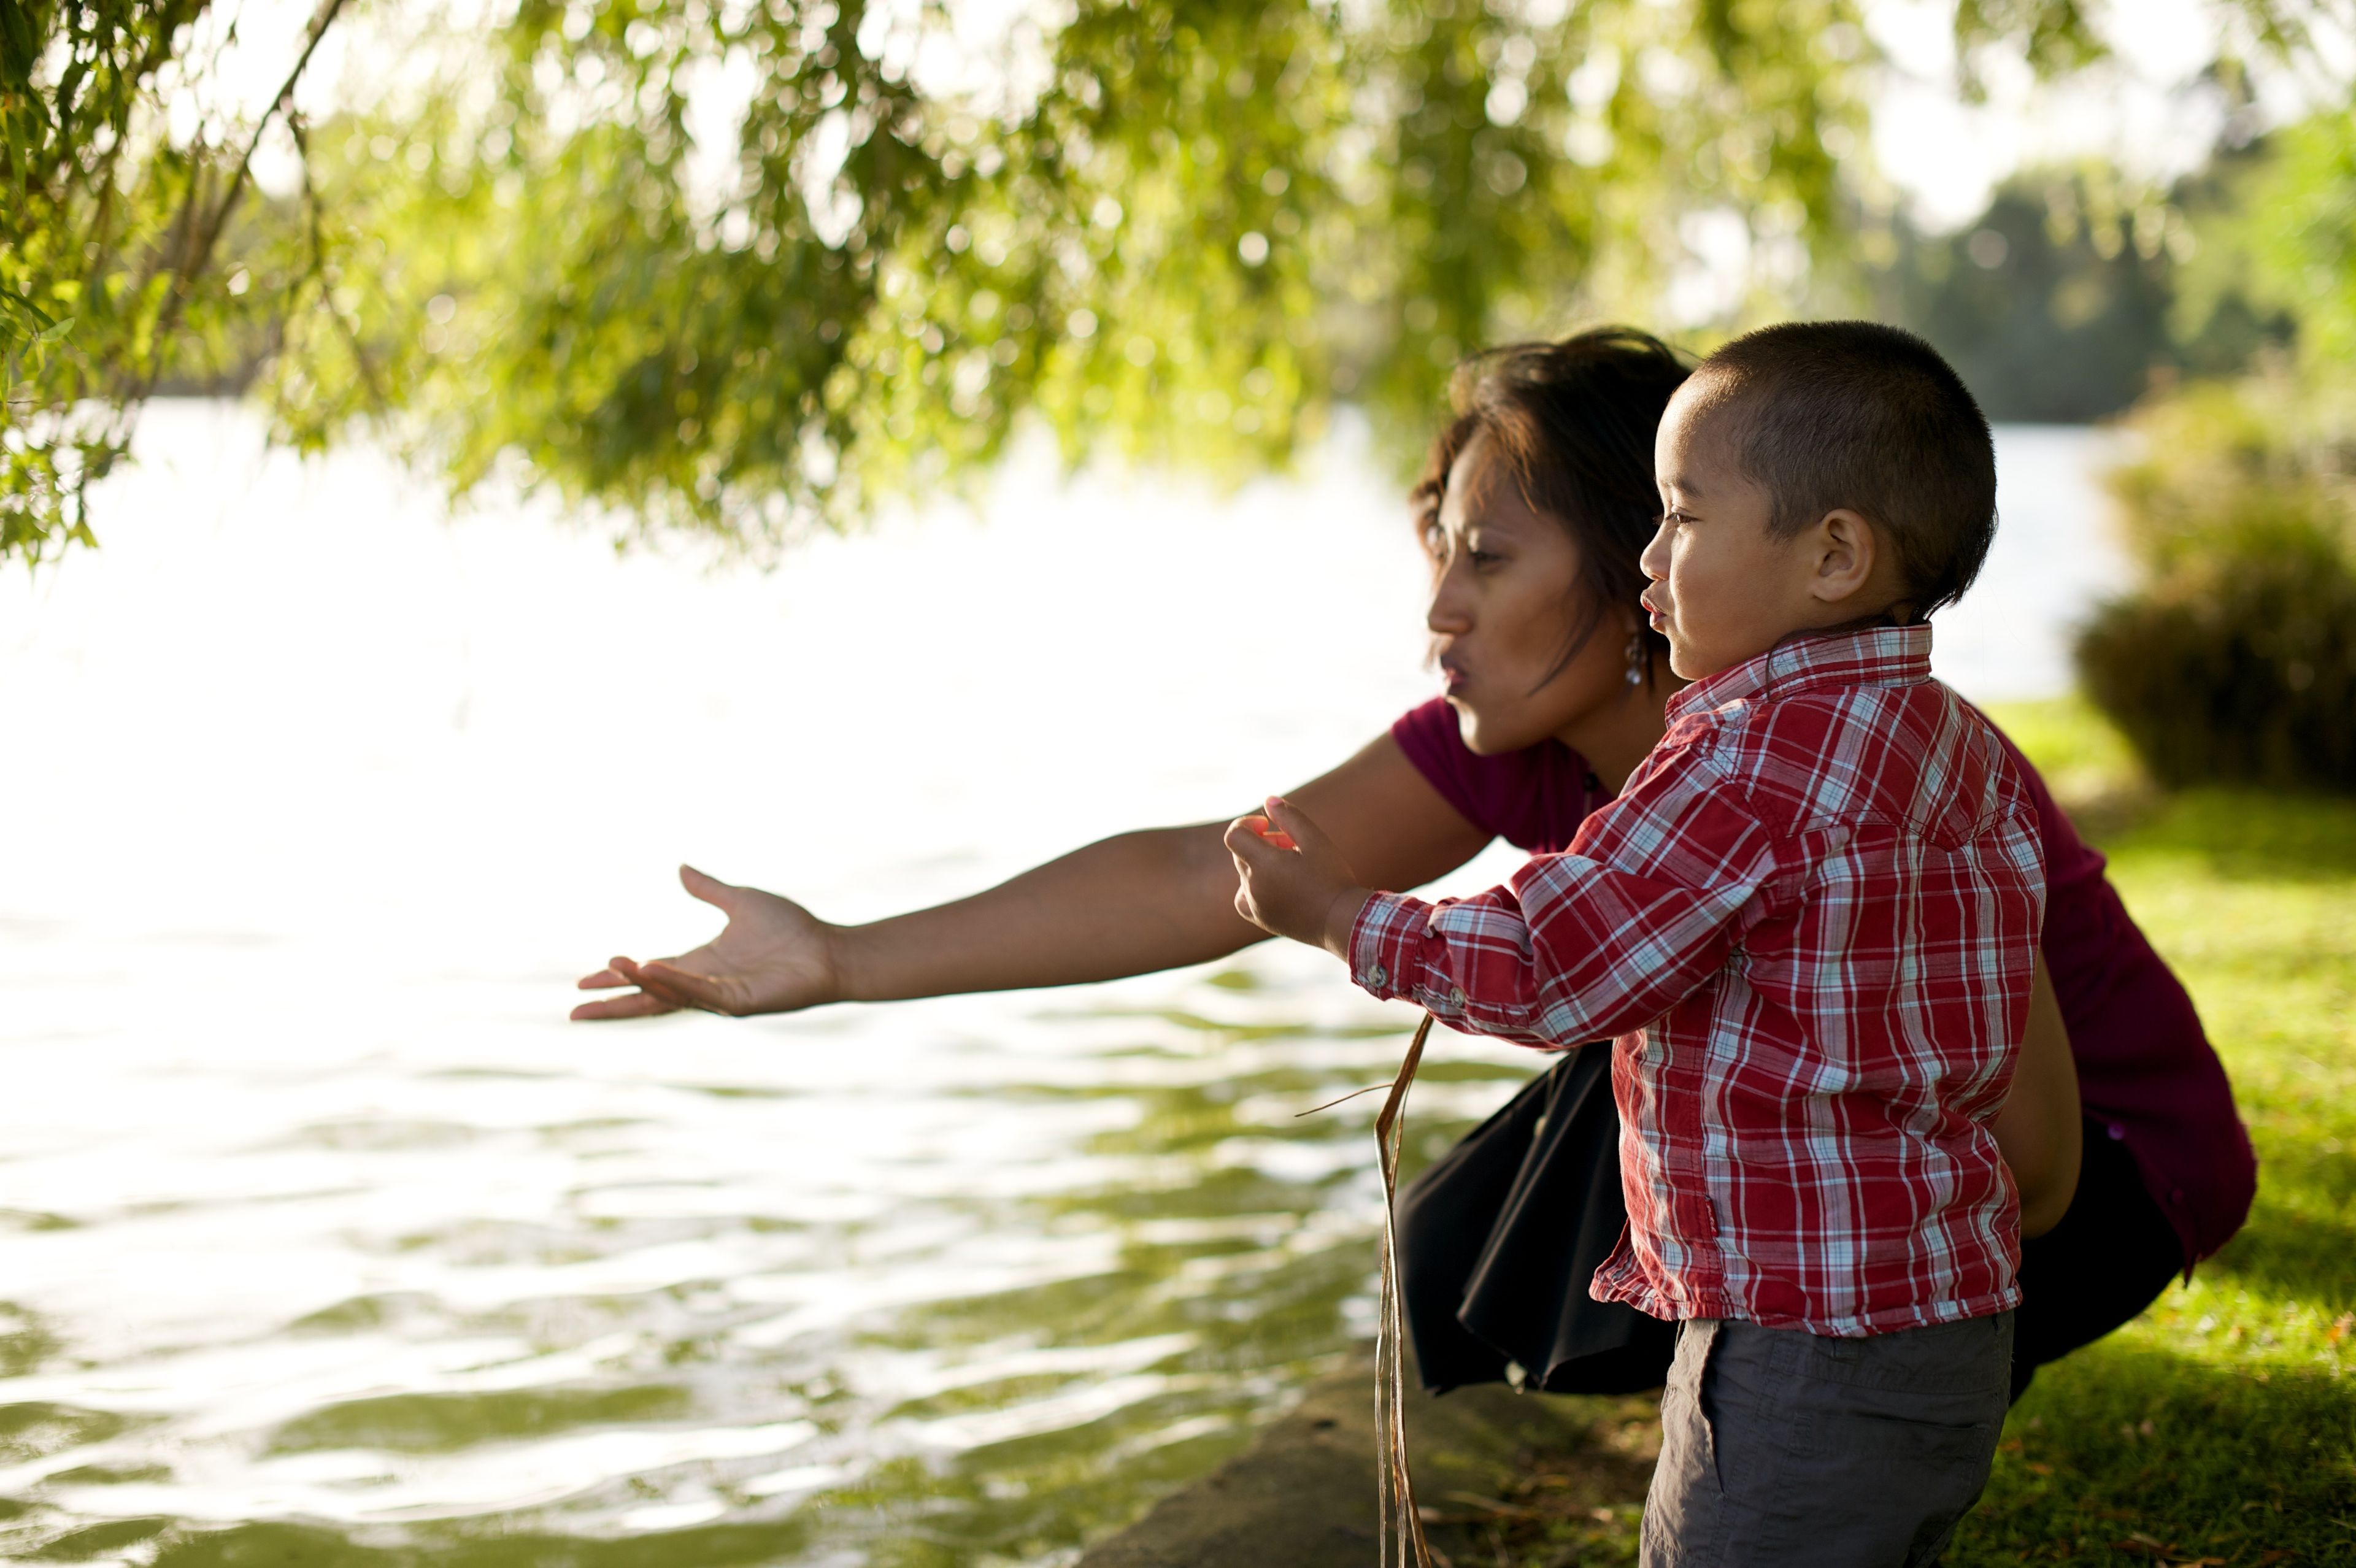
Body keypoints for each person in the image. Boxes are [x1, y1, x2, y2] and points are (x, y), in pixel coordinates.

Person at [571, 326, 2252, 1408]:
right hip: (1892, 1152)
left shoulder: (1865, 762)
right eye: (1438, 553)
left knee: (1598, 1095)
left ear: (1640, 566)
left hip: (2096, 1168)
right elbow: (1208, 869)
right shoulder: (1535, 743)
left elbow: (2022, 1163)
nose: (1439, 607)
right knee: (1504, 1196)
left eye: (1491, 557)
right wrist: (843, 954)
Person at [1226, 320, 2042, 1563]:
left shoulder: (1742, 764)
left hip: (1798, 1339)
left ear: (1832, 556)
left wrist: (1343, 914)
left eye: (1682, 519)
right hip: (1949, 1318)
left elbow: (1553, 965)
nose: (1648, 560)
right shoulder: (1956, 741)